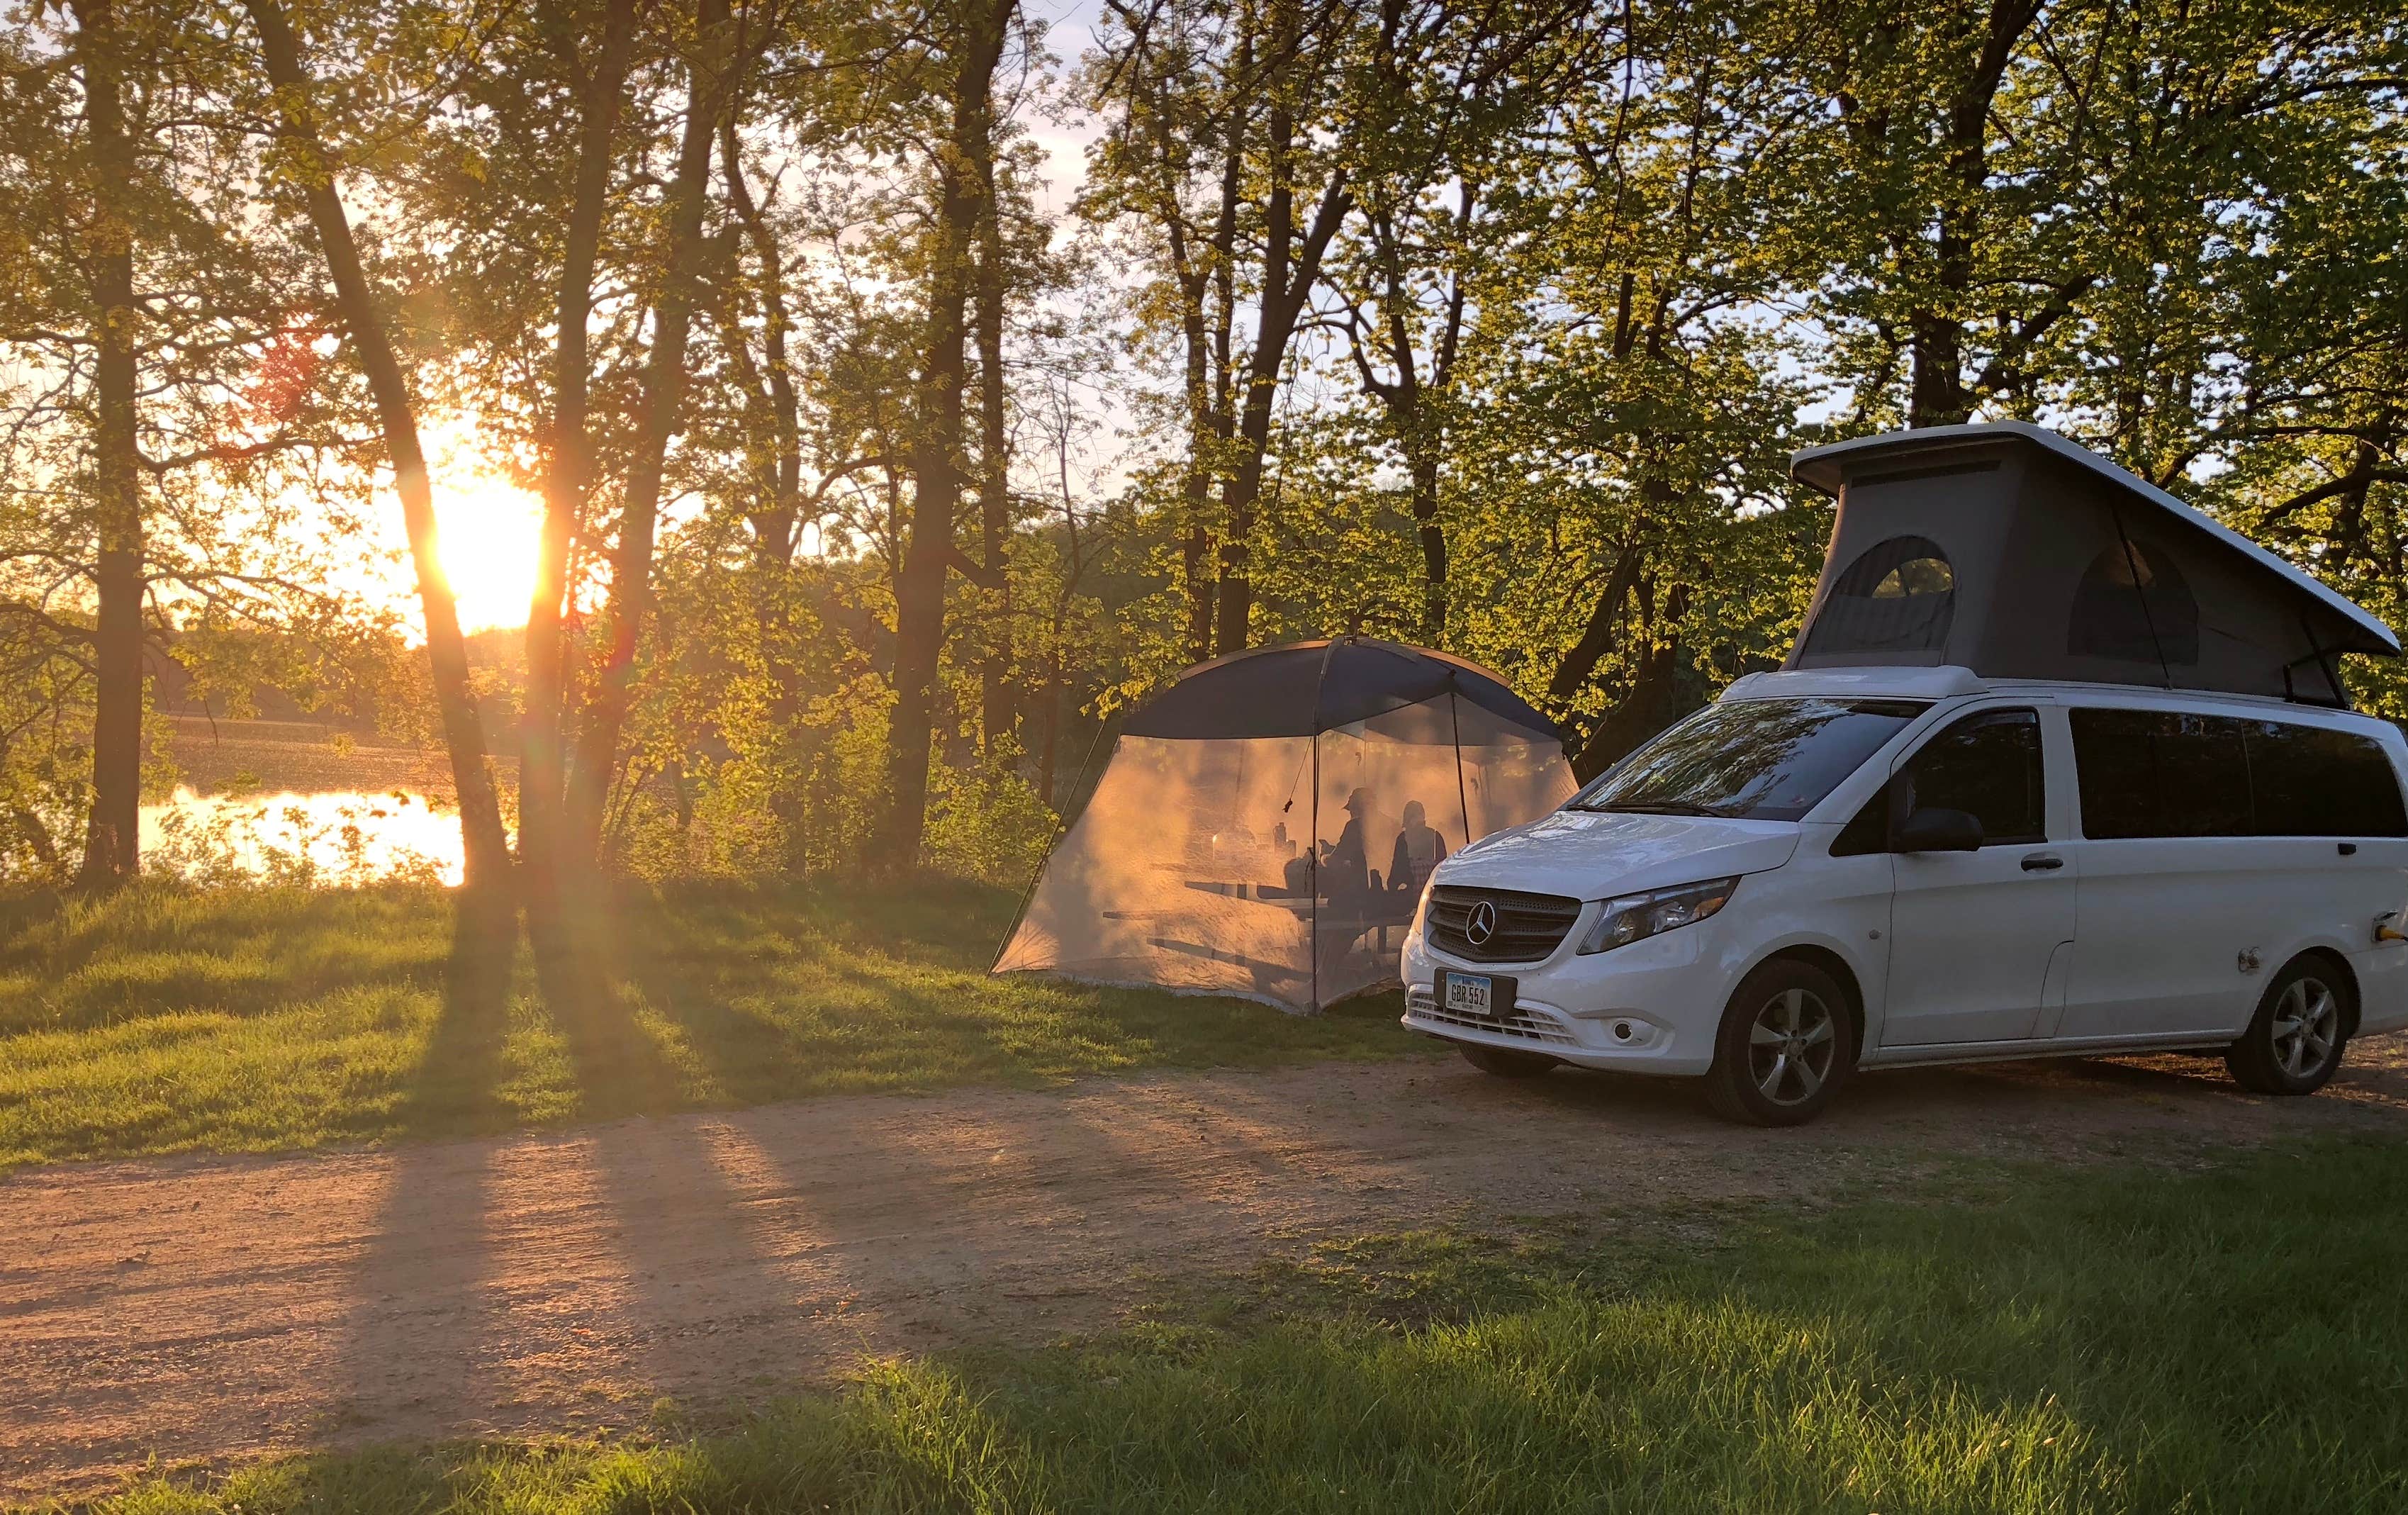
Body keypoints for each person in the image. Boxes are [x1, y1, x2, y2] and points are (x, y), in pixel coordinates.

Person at [1388, 800, 1448, 896]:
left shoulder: (1435, 837)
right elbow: (1396, 871)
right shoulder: (1402, 840)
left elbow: (1442, 870)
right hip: (1414, 897)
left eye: (1415, 817)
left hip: (1431, 895)